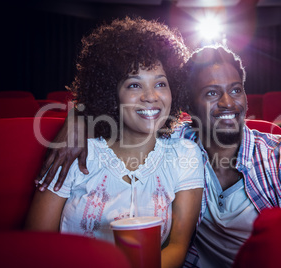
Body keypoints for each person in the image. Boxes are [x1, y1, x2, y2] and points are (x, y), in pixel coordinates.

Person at [35, 44, 281, 267]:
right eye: (212, 93)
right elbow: (126, 110)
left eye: (236, 90)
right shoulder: (177, 143)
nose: (229, 103)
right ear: (188, 103)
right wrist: (79, 116)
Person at [25, 17, 204, 268]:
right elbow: (35, 246)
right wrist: (77, 115)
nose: (151, 97)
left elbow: (177, 247)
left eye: (161, 83)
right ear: (111, 92)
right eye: (134, 84)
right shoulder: (76, 149)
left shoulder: (185, 154)